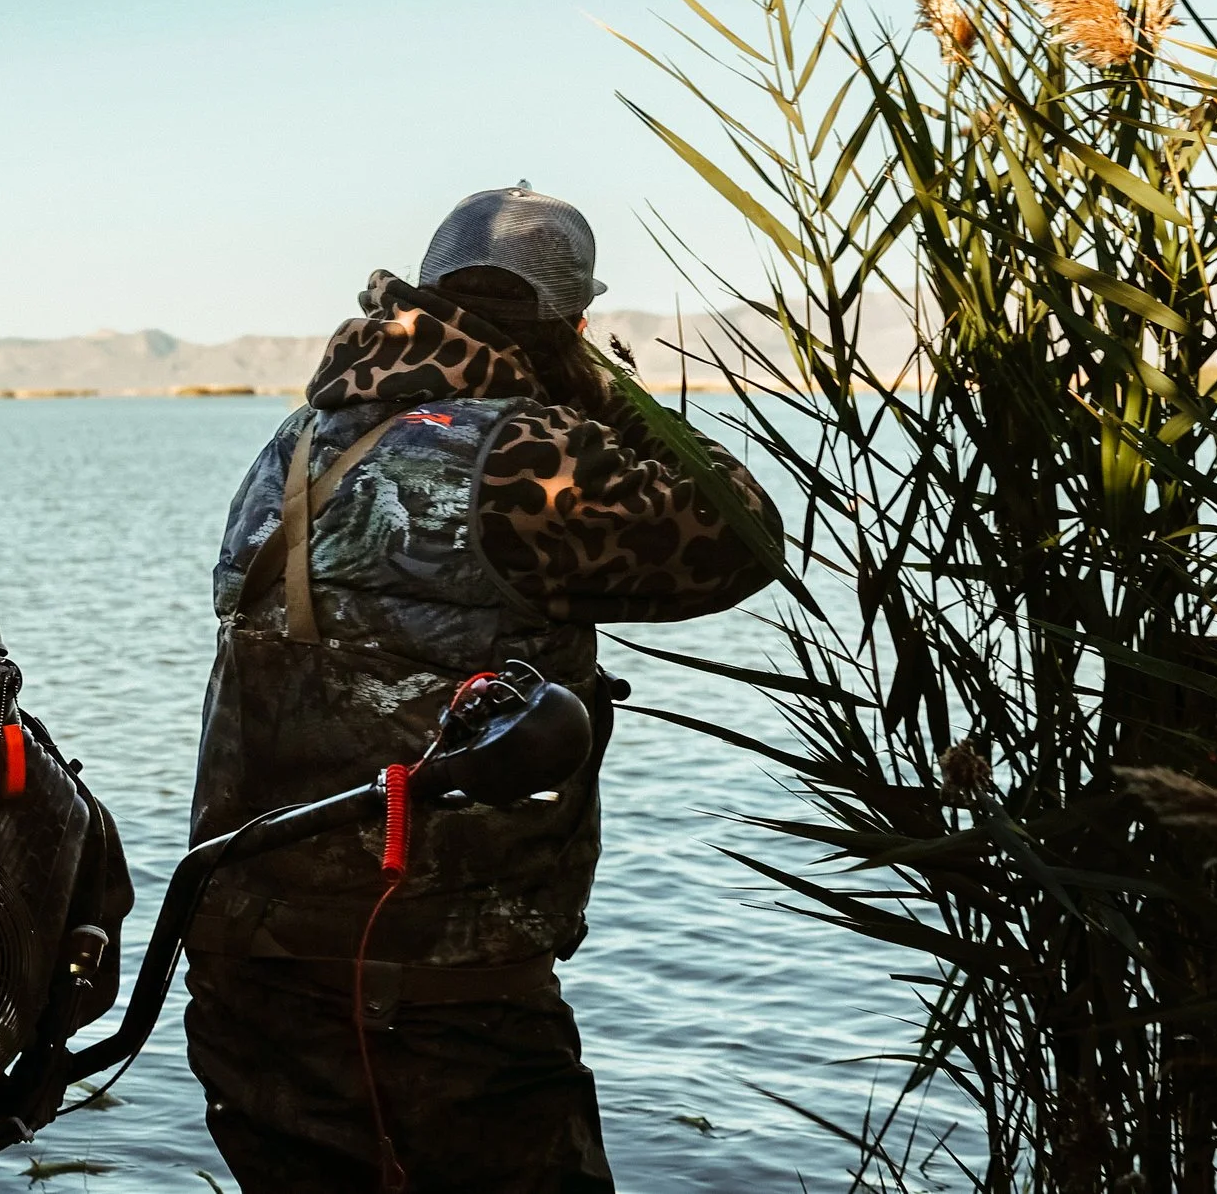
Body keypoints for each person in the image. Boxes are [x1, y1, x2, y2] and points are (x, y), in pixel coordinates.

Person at [183, 186, 781, 1194]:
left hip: (248, 971)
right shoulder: (524, 453)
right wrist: (605, 386)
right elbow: (740, 533)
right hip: (428, 999)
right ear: (567, 324)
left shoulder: (294, 440)